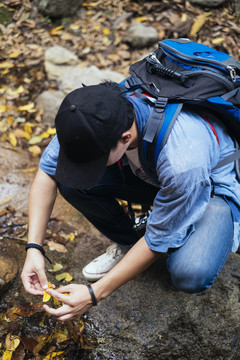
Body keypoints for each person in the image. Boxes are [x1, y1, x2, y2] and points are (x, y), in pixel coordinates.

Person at [21, 81, 240, 322]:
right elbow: (48, 172)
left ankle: (203, 221)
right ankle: (128, 246)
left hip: (211, 188)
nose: (84, 169)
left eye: (92, 163)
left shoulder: (182, 159)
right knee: (71, 182)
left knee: (190, 273)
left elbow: (157, 239)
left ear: (125, 138)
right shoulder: (88, 116)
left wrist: (94, 294)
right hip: (152, 173)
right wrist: (34, 248)